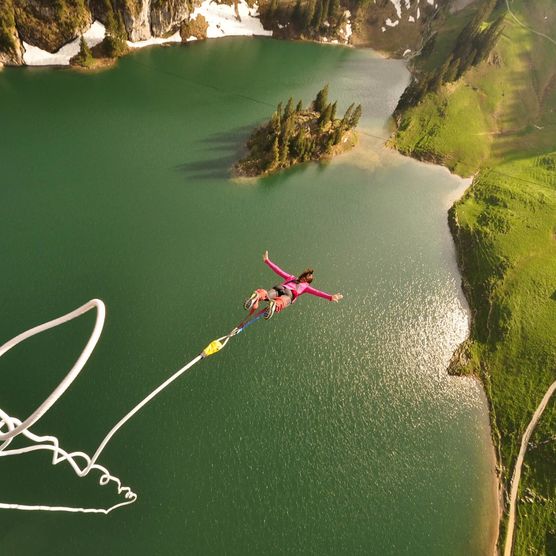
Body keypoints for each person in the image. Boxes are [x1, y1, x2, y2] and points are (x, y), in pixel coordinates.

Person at [244, 250, 344, 319]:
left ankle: (258, 296)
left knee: (266, 296)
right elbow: (317, 292)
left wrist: (267, 261)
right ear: (307, 282)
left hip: (280, 287)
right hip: (290, 294)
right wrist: (330, 297)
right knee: (283, 301)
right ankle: (275, 304)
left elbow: (278, 270)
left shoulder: (291, 278)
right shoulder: (306, 287)